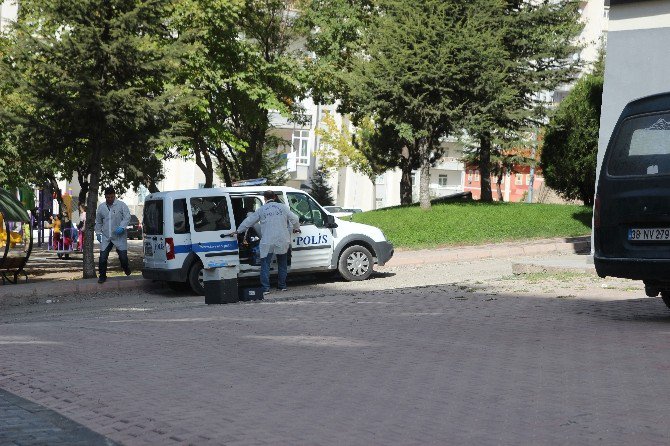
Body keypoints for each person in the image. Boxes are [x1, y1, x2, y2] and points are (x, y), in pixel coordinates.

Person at [236, 190, 300, 294]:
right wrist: (296, 228)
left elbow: (249, 221)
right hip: (282, 239)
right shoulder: (283, 207)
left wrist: (238, 231)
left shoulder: (261, 209)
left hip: (268, 240)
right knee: (282, 263)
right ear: (274, 197)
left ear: (265, 198)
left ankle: (265, 288)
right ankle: (282, 286)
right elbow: (295, 218)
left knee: (265, 264)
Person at [95, 186, 131, 284]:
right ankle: (102, 276)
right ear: (105, 197)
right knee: (102, 258)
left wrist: (122, 227)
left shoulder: (121, 205)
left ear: (114, 196)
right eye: (107, 197)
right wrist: (98, 233)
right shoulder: (101, 207)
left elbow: (127, 217)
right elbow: (98, 221)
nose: (110, 199)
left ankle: (126, 268)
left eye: (111, 197)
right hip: (106, 237)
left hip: (119, 236)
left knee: (123, 258)